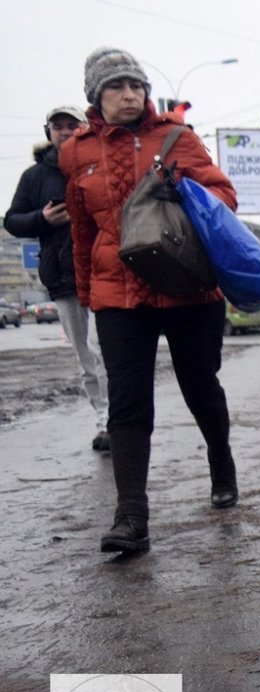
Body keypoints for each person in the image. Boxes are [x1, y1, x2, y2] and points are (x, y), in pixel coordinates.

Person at [60, 47, 240, 554]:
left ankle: (220, 462)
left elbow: (224, 199)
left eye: (134, 85)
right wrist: (86, 291)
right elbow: (80, 231)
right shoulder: (76, 152)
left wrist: (180, 188)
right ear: (97, 96)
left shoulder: (176, 138)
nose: (128, 94)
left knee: (199, 384)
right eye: (116, 87)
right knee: (129, 401)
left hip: (186, 287)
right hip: (117, 294)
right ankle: (131, 516)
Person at [4, 105, 110, 452]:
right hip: (62, 275)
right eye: (57, 126)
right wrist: (42, 218)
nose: (64, 132)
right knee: (85, 356)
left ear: (85, 128)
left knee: (102, 350)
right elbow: (12, 220)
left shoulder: (99, 162)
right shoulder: (35, 176)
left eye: (71, 125)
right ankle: (102, 420)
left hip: (104, 271)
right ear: (48, 131)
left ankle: (115, 421)